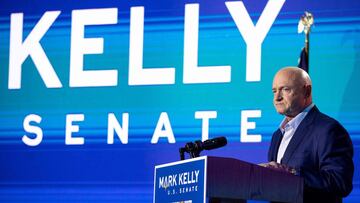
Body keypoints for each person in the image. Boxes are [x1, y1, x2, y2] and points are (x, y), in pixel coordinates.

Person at [260, 67, 354, 203]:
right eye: (274, 91)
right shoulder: (277, 135)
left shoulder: (328, 130)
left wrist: (291, 173)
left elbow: (340, 183)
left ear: (306, 91)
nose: (277, 97)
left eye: (285, 89)